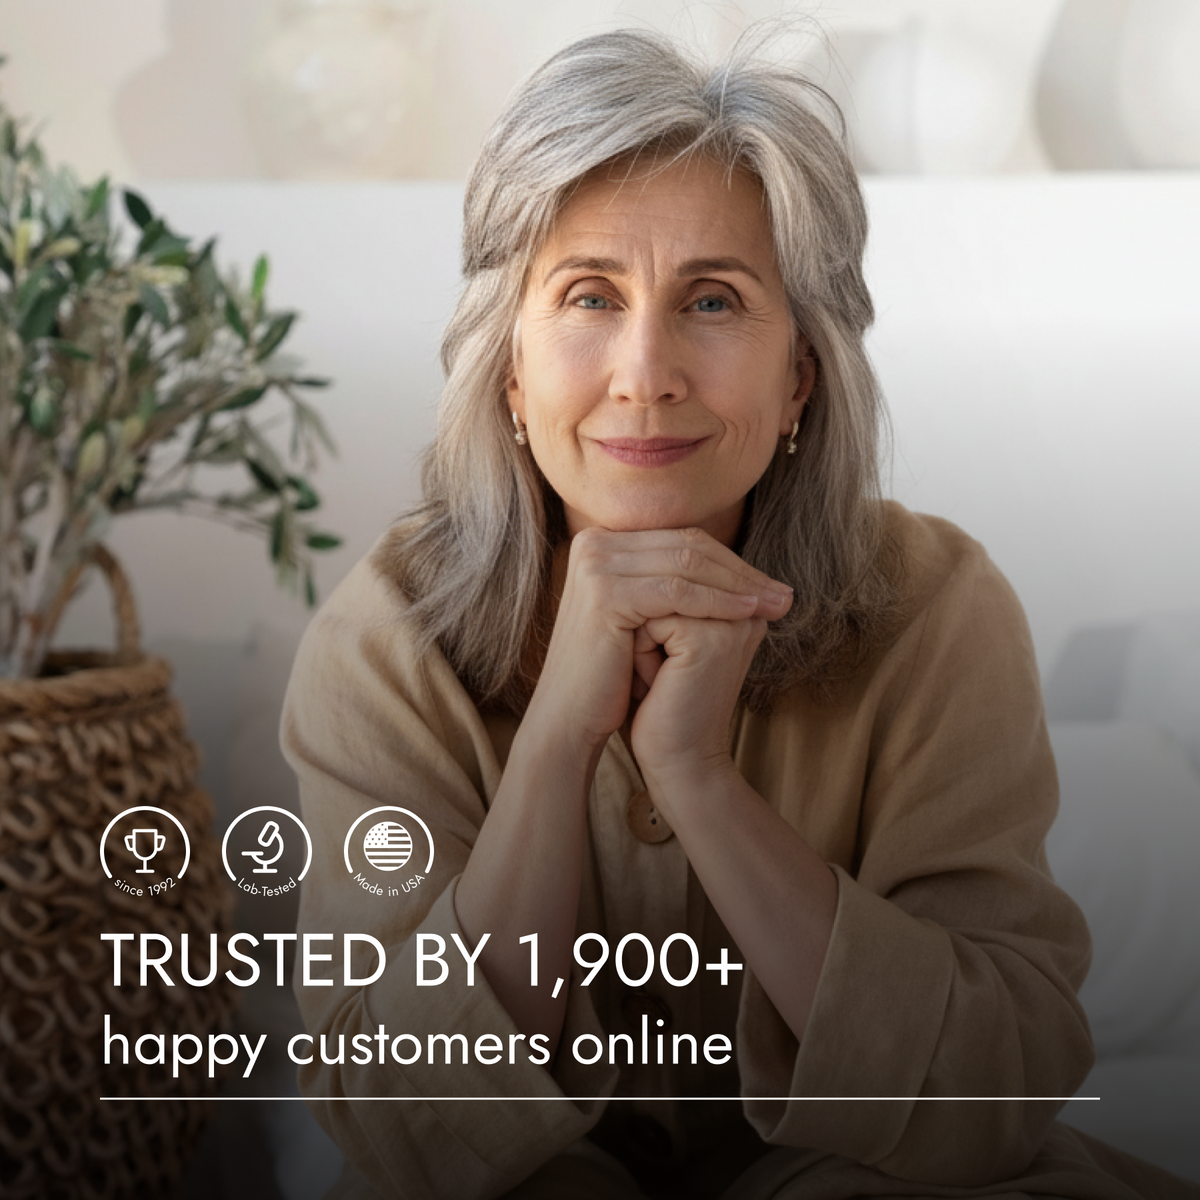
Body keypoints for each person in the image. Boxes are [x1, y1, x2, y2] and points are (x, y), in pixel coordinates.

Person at [280, 28, 1199, 1200]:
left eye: (712, 300)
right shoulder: (385, 640)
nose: (645, 370)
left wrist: (697, 776)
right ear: (511, 369)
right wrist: (558, 741)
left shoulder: (940, 607)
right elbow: (407, 1130)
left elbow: (992, 1094)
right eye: (588, 298)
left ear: (800, 375)